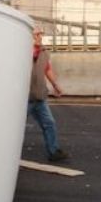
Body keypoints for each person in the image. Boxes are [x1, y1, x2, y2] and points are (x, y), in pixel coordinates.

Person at [29, 29, 68, 162]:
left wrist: (55, 85)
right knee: (14, 128)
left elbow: (47, 69)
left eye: (40, 35)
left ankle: (53, 151)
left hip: (39, 96)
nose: (39, 37)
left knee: (49, 123)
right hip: (24, 99)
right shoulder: (21, 51)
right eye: (36, 35)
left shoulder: (44, 52)